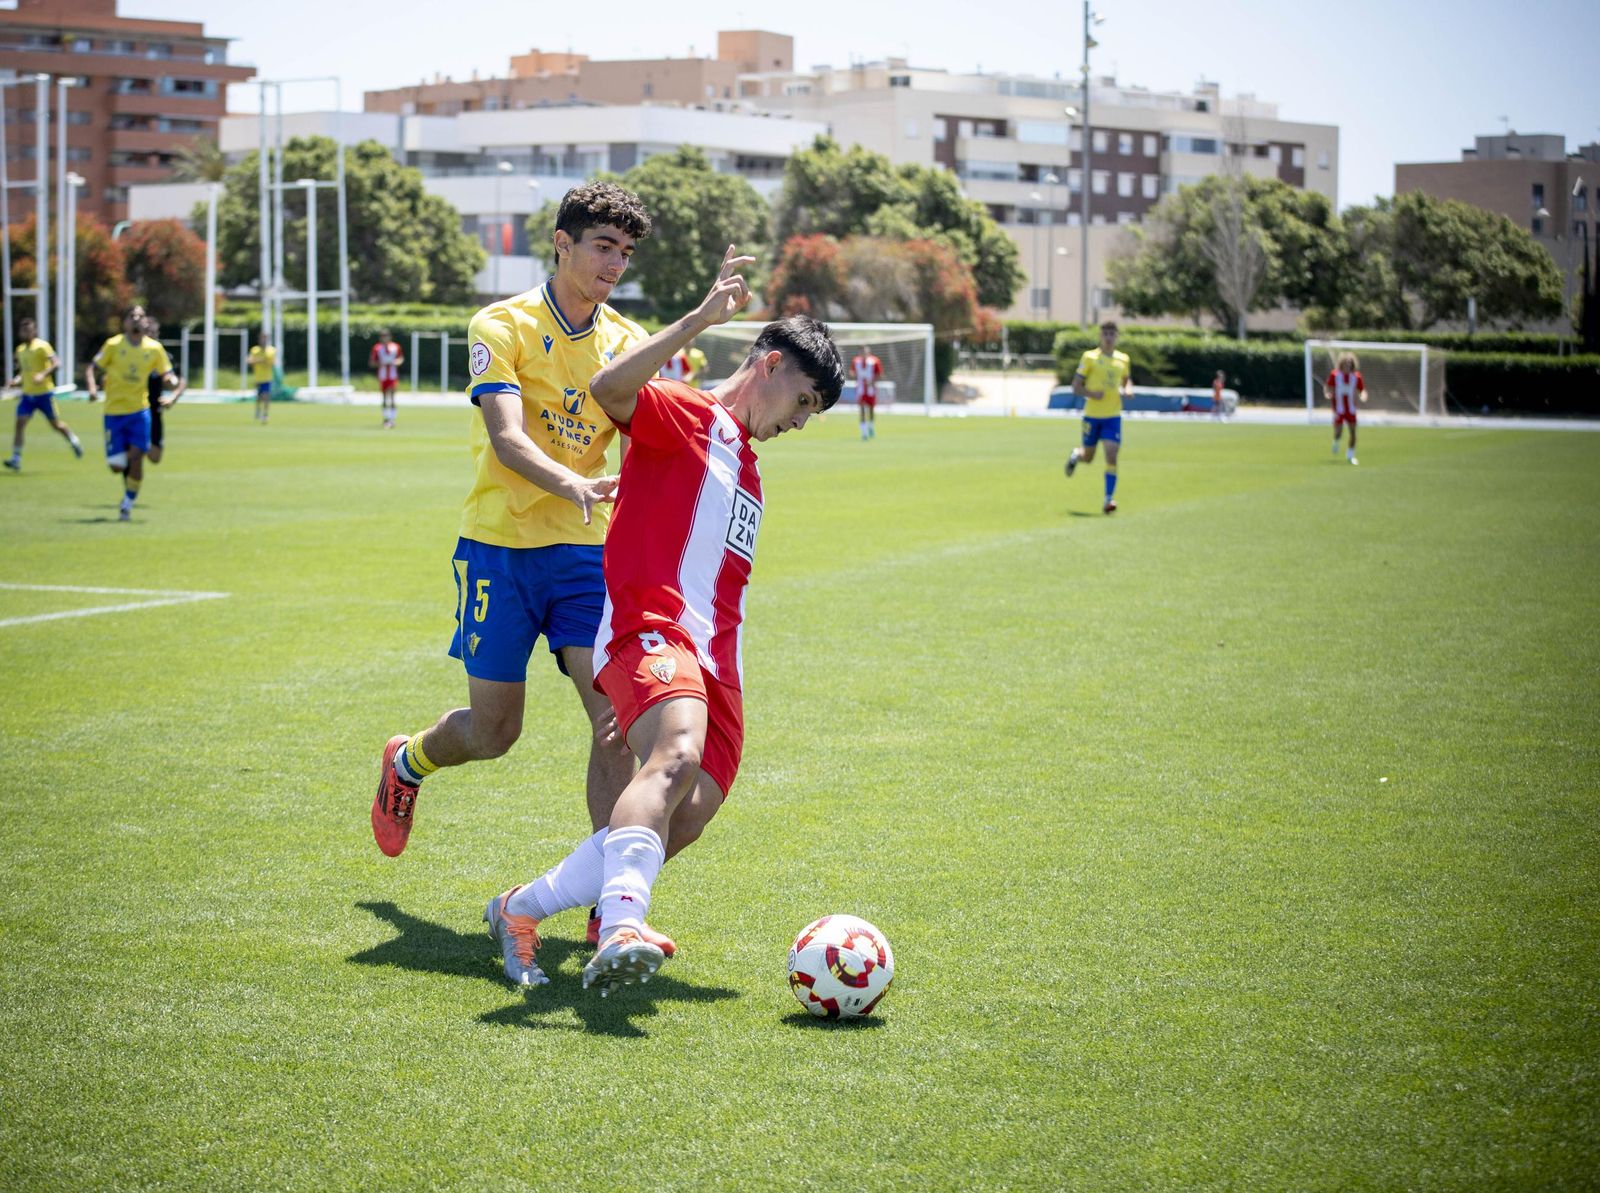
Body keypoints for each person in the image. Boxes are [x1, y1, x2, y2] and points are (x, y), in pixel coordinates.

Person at [480, 253, 844, 995]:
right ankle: (620, 927)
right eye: (803, 401)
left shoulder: (748, 466)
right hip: (651, 626)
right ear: (770, 364)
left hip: (717, 659)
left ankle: (520, 907)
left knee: (683, 816)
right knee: (672, 755)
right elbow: (608, 389)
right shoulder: (682, 410)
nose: (800, 422)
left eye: (812, 413)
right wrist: (699, 320)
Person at [371, 181, 676, 951]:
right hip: (499, 549)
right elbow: (506, 438)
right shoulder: (500, 324)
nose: (615, 264)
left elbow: (652, 439)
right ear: (562, 244)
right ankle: (407, 760)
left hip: (584, 555)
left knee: (613, 725)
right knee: (495, 729)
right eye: (603, 246)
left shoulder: (627, 340)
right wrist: (572, 480)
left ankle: (611, 903)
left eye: (625, 252)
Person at [85, 306, 177, 522]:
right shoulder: (113, 345)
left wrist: (171, 381)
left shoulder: (154, 348)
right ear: (125, 322)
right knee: (116, 467)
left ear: (146, 322)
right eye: (132, 316)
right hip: (113, 412)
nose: (136, 319)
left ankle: (127, 504)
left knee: (137, 458)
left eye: (140, 316)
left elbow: (167, 372)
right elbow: (92, 368)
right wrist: (92, 388)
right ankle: (124, 463)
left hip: (140, 411)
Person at [1064, 321, 1133, 514]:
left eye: (1112, 334)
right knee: (1088, 457)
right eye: (1105, 334)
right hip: (1092, 416)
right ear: (1100, 337)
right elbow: (1076, 386)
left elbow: (1126, 380)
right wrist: (1092, 394)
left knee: (1111, 455)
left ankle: (1108, 499)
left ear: (1117, 337)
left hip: (1113, 416)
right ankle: (1076, 455)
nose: (1109, 338)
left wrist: (1127, 389)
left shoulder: (1123, 359)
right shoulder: (1090, 358)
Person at [5, 316, 82, 470]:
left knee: (56, 425)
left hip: (44, 394)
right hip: (28, 395)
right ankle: (16, 458)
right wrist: (16, 380)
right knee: (20, 423)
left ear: (34, 331)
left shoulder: (42, 346)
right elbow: (24, 372)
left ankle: (73, 440)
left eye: (28, 330)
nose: (25, 333)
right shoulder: (20, 350)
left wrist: (43, 374)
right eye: (23, 330)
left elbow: (57, 363)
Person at [141, 317, 186, 465]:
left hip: (154, 409)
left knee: (155, 457)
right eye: (147, 332)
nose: (151, 335)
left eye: (153, 332)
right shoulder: (131, 354)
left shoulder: (164, 356)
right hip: (134, 408)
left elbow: (180, 380)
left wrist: (173, 397)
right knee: (133, 455)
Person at [1326, 352, 1366, 465]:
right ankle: (1336, 441)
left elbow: (1362, 390)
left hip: (1351, 409)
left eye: (1350, 363)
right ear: (1341, 364)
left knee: (1353, 433)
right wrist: (1328, 393)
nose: (1347, 365)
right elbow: (1328, 387)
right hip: (1339, 409)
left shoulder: (1356, 377)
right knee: (1338, 432)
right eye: (1345, 363)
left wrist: (1363, 396)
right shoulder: (1335, 375)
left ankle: (1350, 456)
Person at [369, 329, 404, 429]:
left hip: (392, 375)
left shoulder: (395, 347)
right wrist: (381, 363)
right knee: (384, 398)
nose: (385, 338)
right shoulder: (377, 348)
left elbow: (400, 359)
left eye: (386, 336)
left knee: (392, 397)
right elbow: (372, 362)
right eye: (383, 336)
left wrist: (395, 362)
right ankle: (386, 418)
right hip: (383, 375)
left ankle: (392, 419)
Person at [852, 344, 882, 440]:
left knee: (871, 410)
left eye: (865, 351)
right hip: (860, 390)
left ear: (868, 352)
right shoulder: (856, 361)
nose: (864, 353)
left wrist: (872, 381)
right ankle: (864, 433)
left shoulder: (875, 361)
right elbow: (852, 373)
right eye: (862, 352)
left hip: (871, 389)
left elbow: (879, 374)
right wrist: (856, 377)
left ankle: (871, 427)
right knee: (862, 411)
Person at [248, 332, 276, 423]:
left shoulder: (271, 350)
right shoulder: (255, 350)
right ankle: (258, 410)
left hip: (267, 378)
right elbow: (249, 361)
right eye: (261, 338)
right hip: (258, 378)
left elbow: (272, 363)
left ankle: (265, 414)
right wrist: (259, 360)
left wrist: (264, 361)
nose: (263, 340)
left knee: (266, 396)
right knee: (259, 397)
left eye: (265, 338)